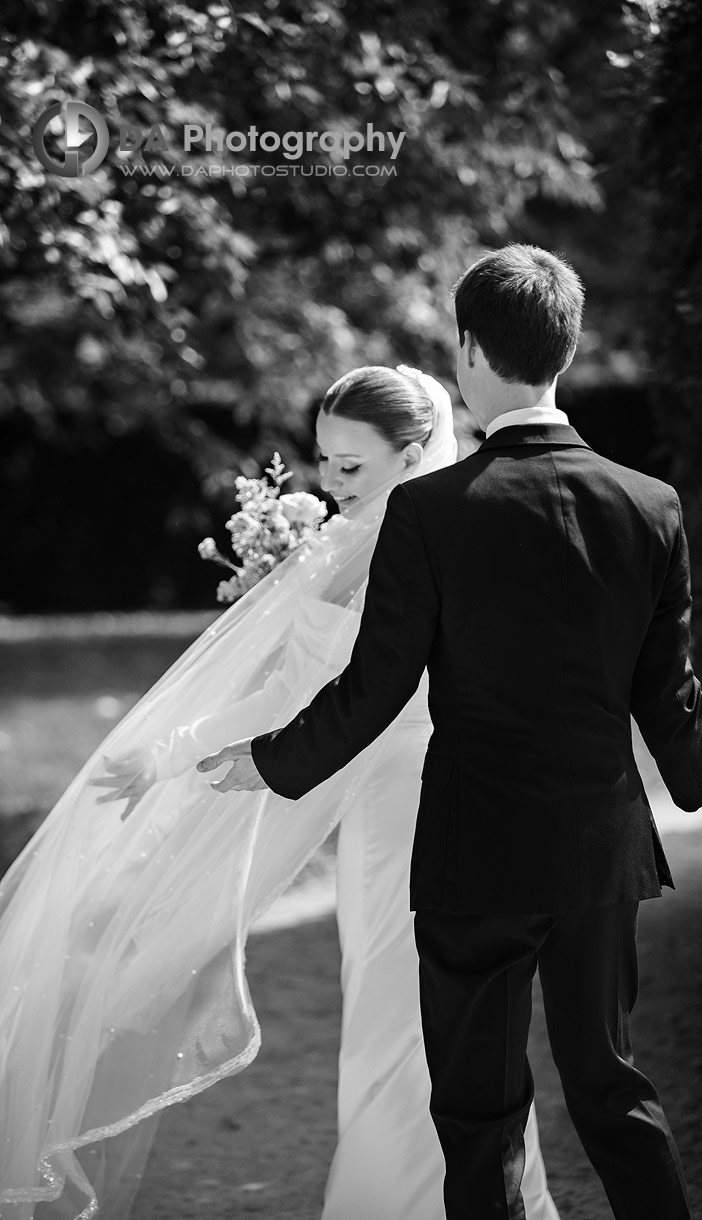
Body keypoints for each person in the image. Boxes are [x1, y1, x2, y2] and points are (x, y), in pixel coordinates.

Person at [200, 245, 702, 1220]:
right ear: (568, 349)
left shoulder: (429, 510)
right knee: (610, 1084)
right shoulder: (650, 503)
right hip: (599, 845)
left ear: (467, 350)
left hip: (476, 855)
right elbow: (662, 684)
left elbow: (377, 688)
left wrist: (267, 760)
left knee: (479, 1108)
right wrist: (683, 769)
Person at [0, 365, 558, 1220]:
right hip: (371, 809)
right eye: (324, 463)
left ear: (414, 456)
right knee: (382, 1006)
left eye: (351, 467)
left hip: (432, 797)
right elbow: (293, 688)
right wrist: (170, 751)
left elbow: (391, 693)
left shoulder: (439, 539)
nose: (328, 486)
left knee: (409, 1017)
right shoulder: (347, 541)